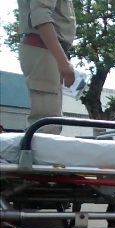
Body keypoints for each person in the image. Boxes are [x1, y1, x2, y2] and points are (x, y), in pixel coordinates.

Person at [17, 0, 76, 135]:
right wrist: (62, 61)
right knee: (46, 125)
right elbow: (40, 16)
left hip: (46, 48)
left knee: (49, 122)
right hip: (43, 47)